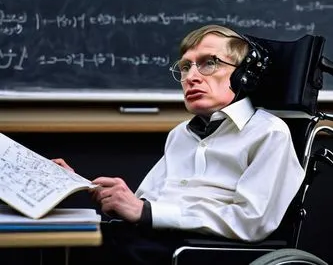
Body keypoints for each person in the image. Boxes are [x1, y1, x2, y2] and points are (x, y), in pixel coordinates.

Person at [53, 24, 305, 265]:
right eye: (185, 67)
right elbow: (144, 203)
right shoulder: (180, 134)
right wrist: (91, 189)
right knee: (73, 241)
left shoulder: (269, 133)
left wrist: (146, 212)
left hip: (204, 250)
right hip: (156, 239)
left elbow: (251, 221)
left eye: (209, 63)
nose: (192, 77)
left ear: (243, 76)